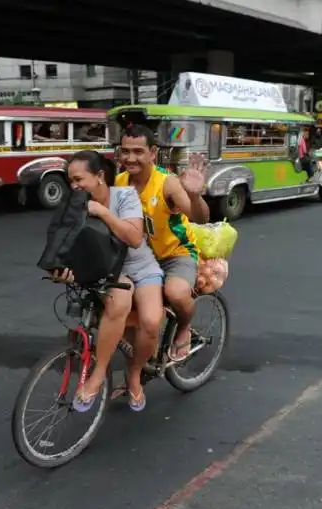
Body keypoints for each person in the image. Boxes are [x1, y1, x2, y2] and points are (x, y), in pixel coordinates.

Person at [51, 150, 164, 412]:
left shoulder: (124, 196)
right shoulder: (75, 204)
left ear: (100, 176)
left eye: (79, 179)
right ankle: (99, 374)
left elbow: (135, 238)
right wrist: (62, 268)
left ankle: (134, 374)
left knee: (150, 322)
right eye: (71, 181)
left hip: (141, 266)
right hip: (108, 269)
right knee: (118, 302)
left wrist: (102, 212)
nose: (74, 186)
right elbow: (63, 242)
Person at [114, 125, 209, 371]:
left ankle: (185, 326)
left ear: (152, 153)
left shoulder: (167, 184)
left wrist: (195, 195)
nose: (130, 158)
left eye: (138, 151)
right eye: (125, 151)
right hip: (141, 259)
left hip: (175, 254)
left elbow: (200, 219)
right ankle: (141, 368)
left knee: (176, 293)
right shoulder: (120, 180)